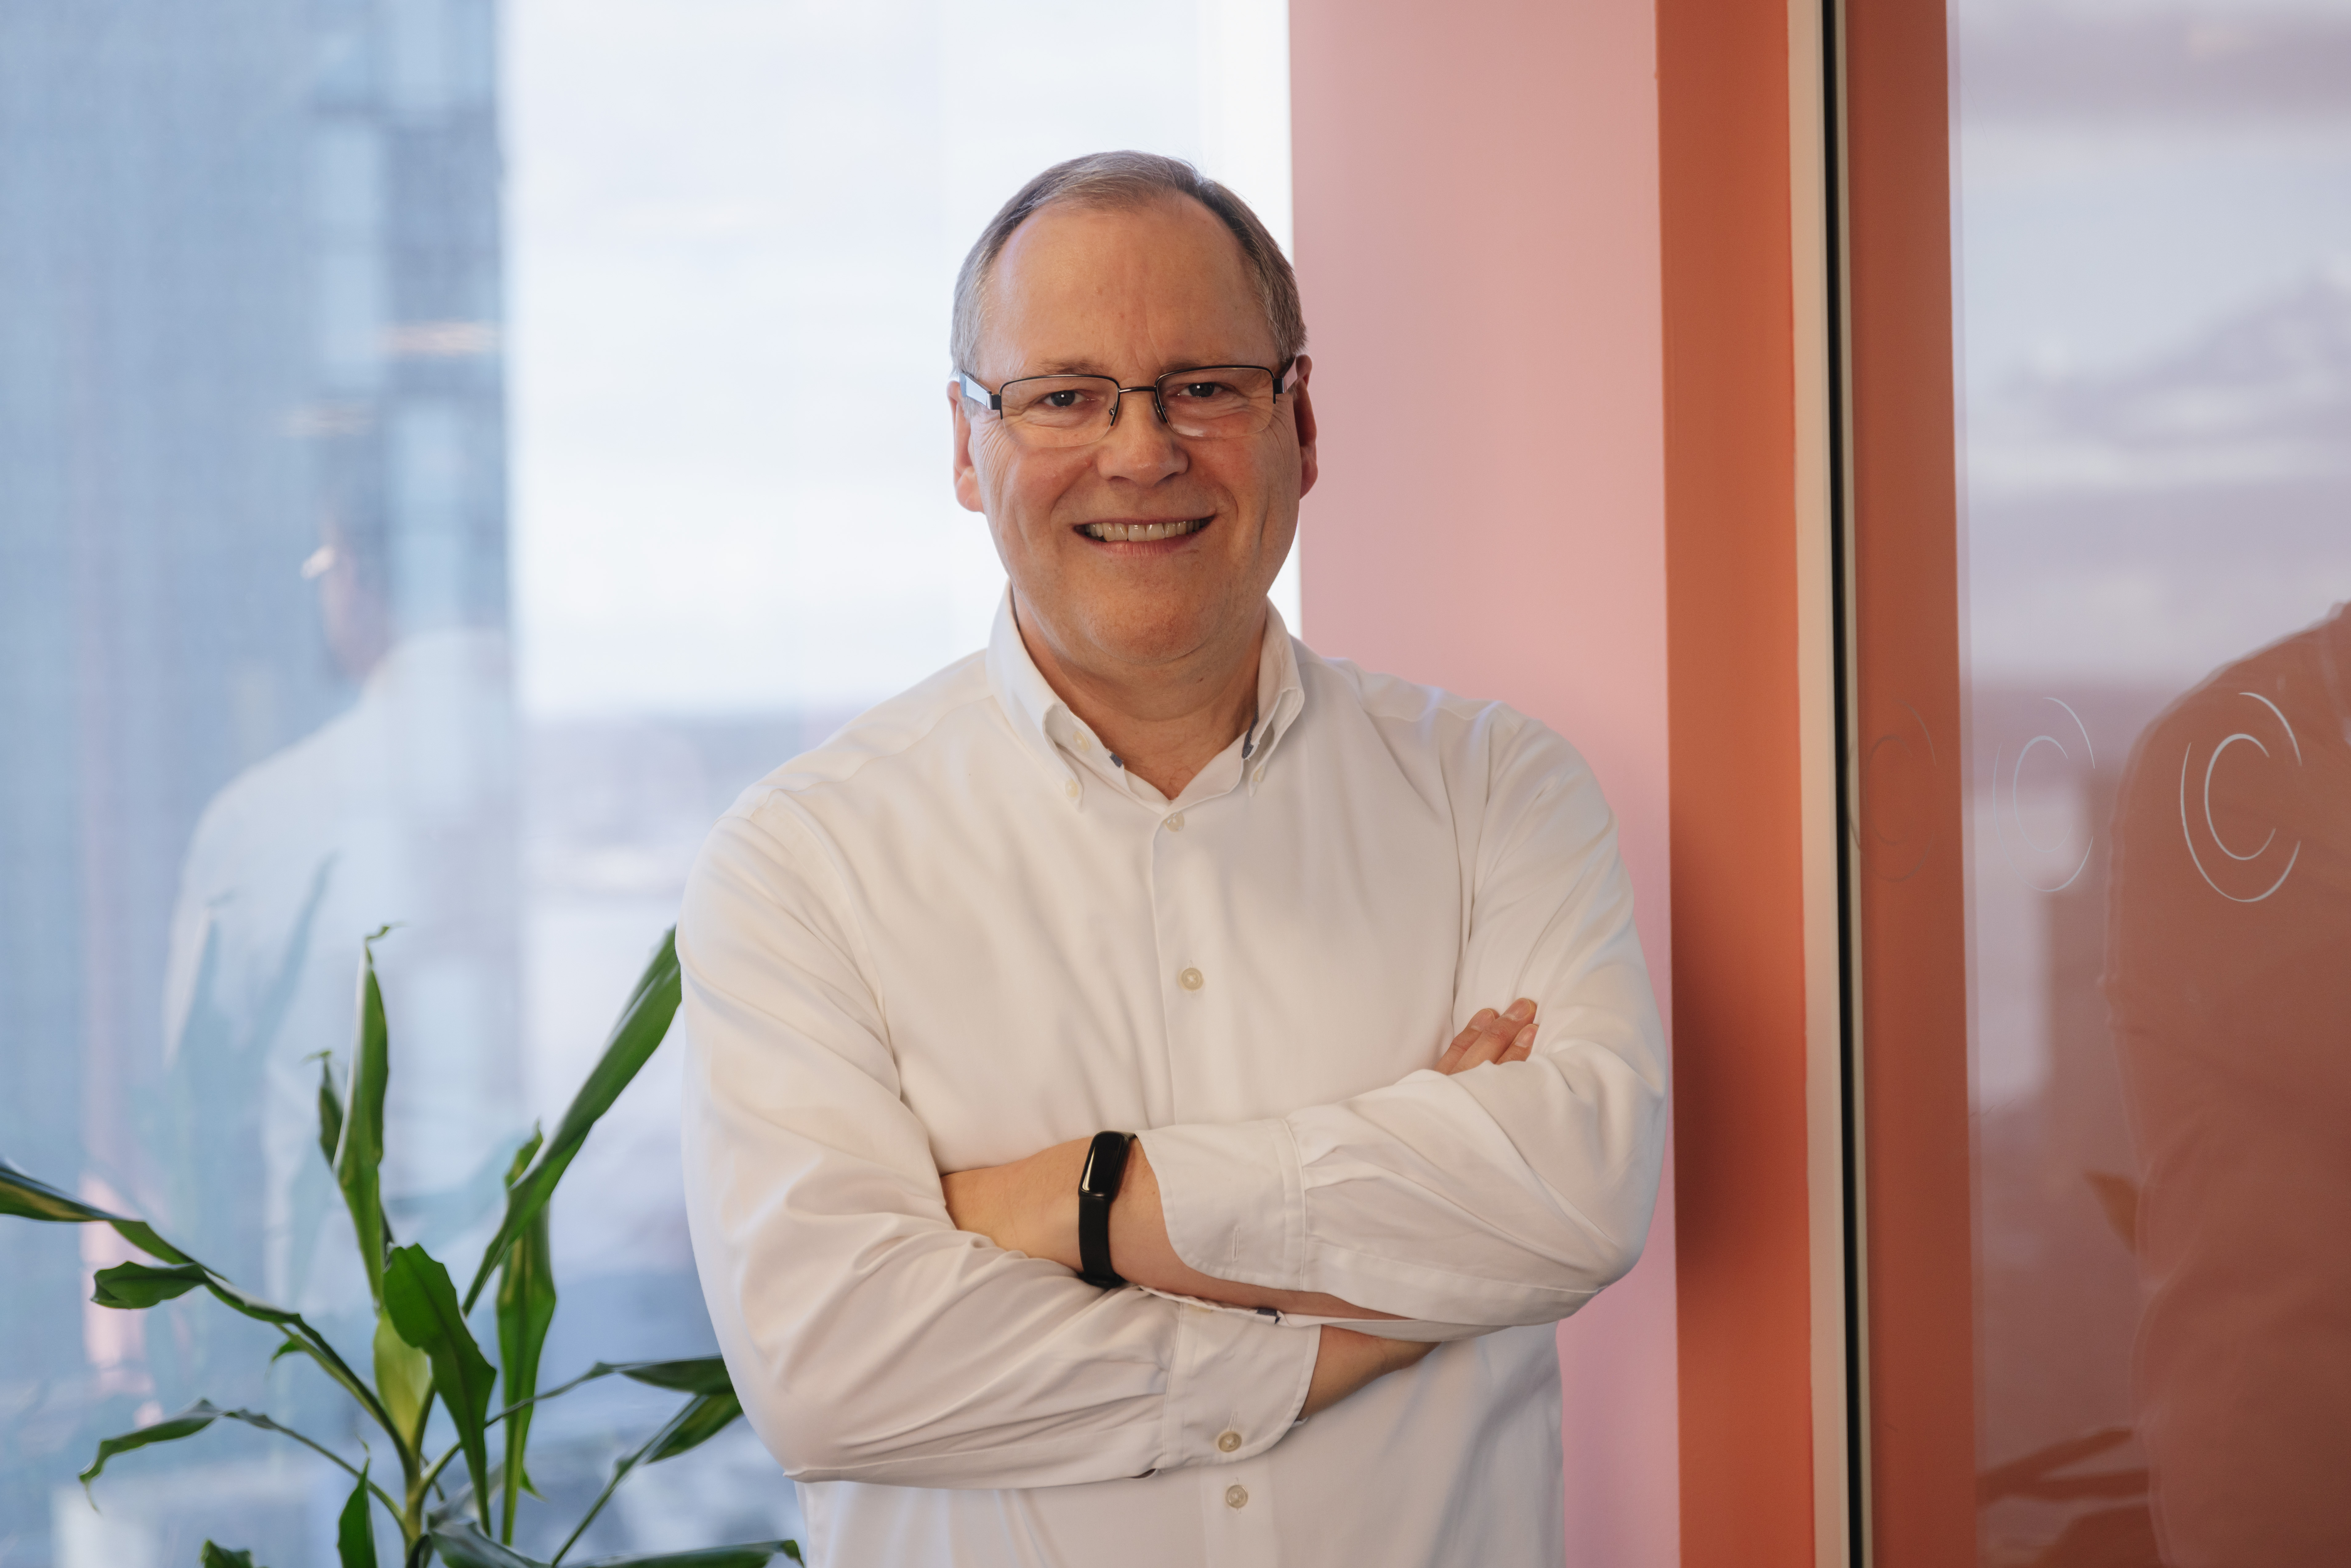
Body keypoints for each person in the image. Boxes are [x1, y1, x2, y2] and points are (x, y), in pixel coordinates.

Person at [678, 151, 1667, 1567]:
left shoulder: (1496, 789)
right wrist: (1349, 1332)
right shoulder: (801, 863)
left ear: (1301, 421)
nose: (1140, 451)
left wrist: (1082, 1196)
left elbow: (1573, 1194)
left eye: (1202, 385)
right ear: (967, 449)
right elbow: (833, 1367)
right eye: (1063, 395)